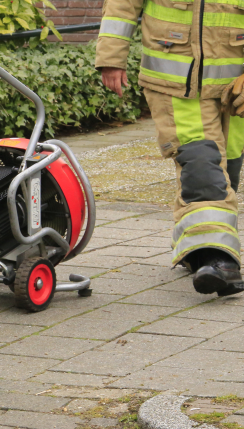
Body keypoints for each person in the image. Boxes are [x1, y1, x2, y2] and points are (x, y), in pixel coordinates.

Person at [96, 0, 244, 296]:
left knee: (230, 168)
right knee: (202, 164)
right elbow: (122, 4)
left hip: (235, 84)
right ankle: (219, 259)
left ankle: (197, 245)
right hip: (175, 83)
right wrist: (112, 58)